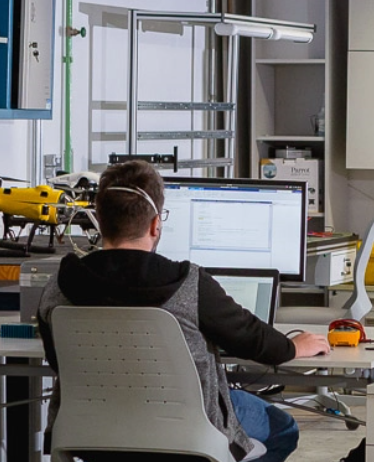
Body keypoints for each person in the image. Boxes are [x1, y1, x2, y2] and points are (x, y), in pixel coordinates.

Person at [37, 161, 332, 462]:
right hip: (187, 436)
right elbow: (252, 339)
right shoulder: (189, 284)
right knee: (283, 430)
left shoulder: (58, 285)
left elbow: (57, 358)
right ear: (155, 224)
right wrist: (292, 346)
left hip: (91, 434)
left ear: (99, 219)